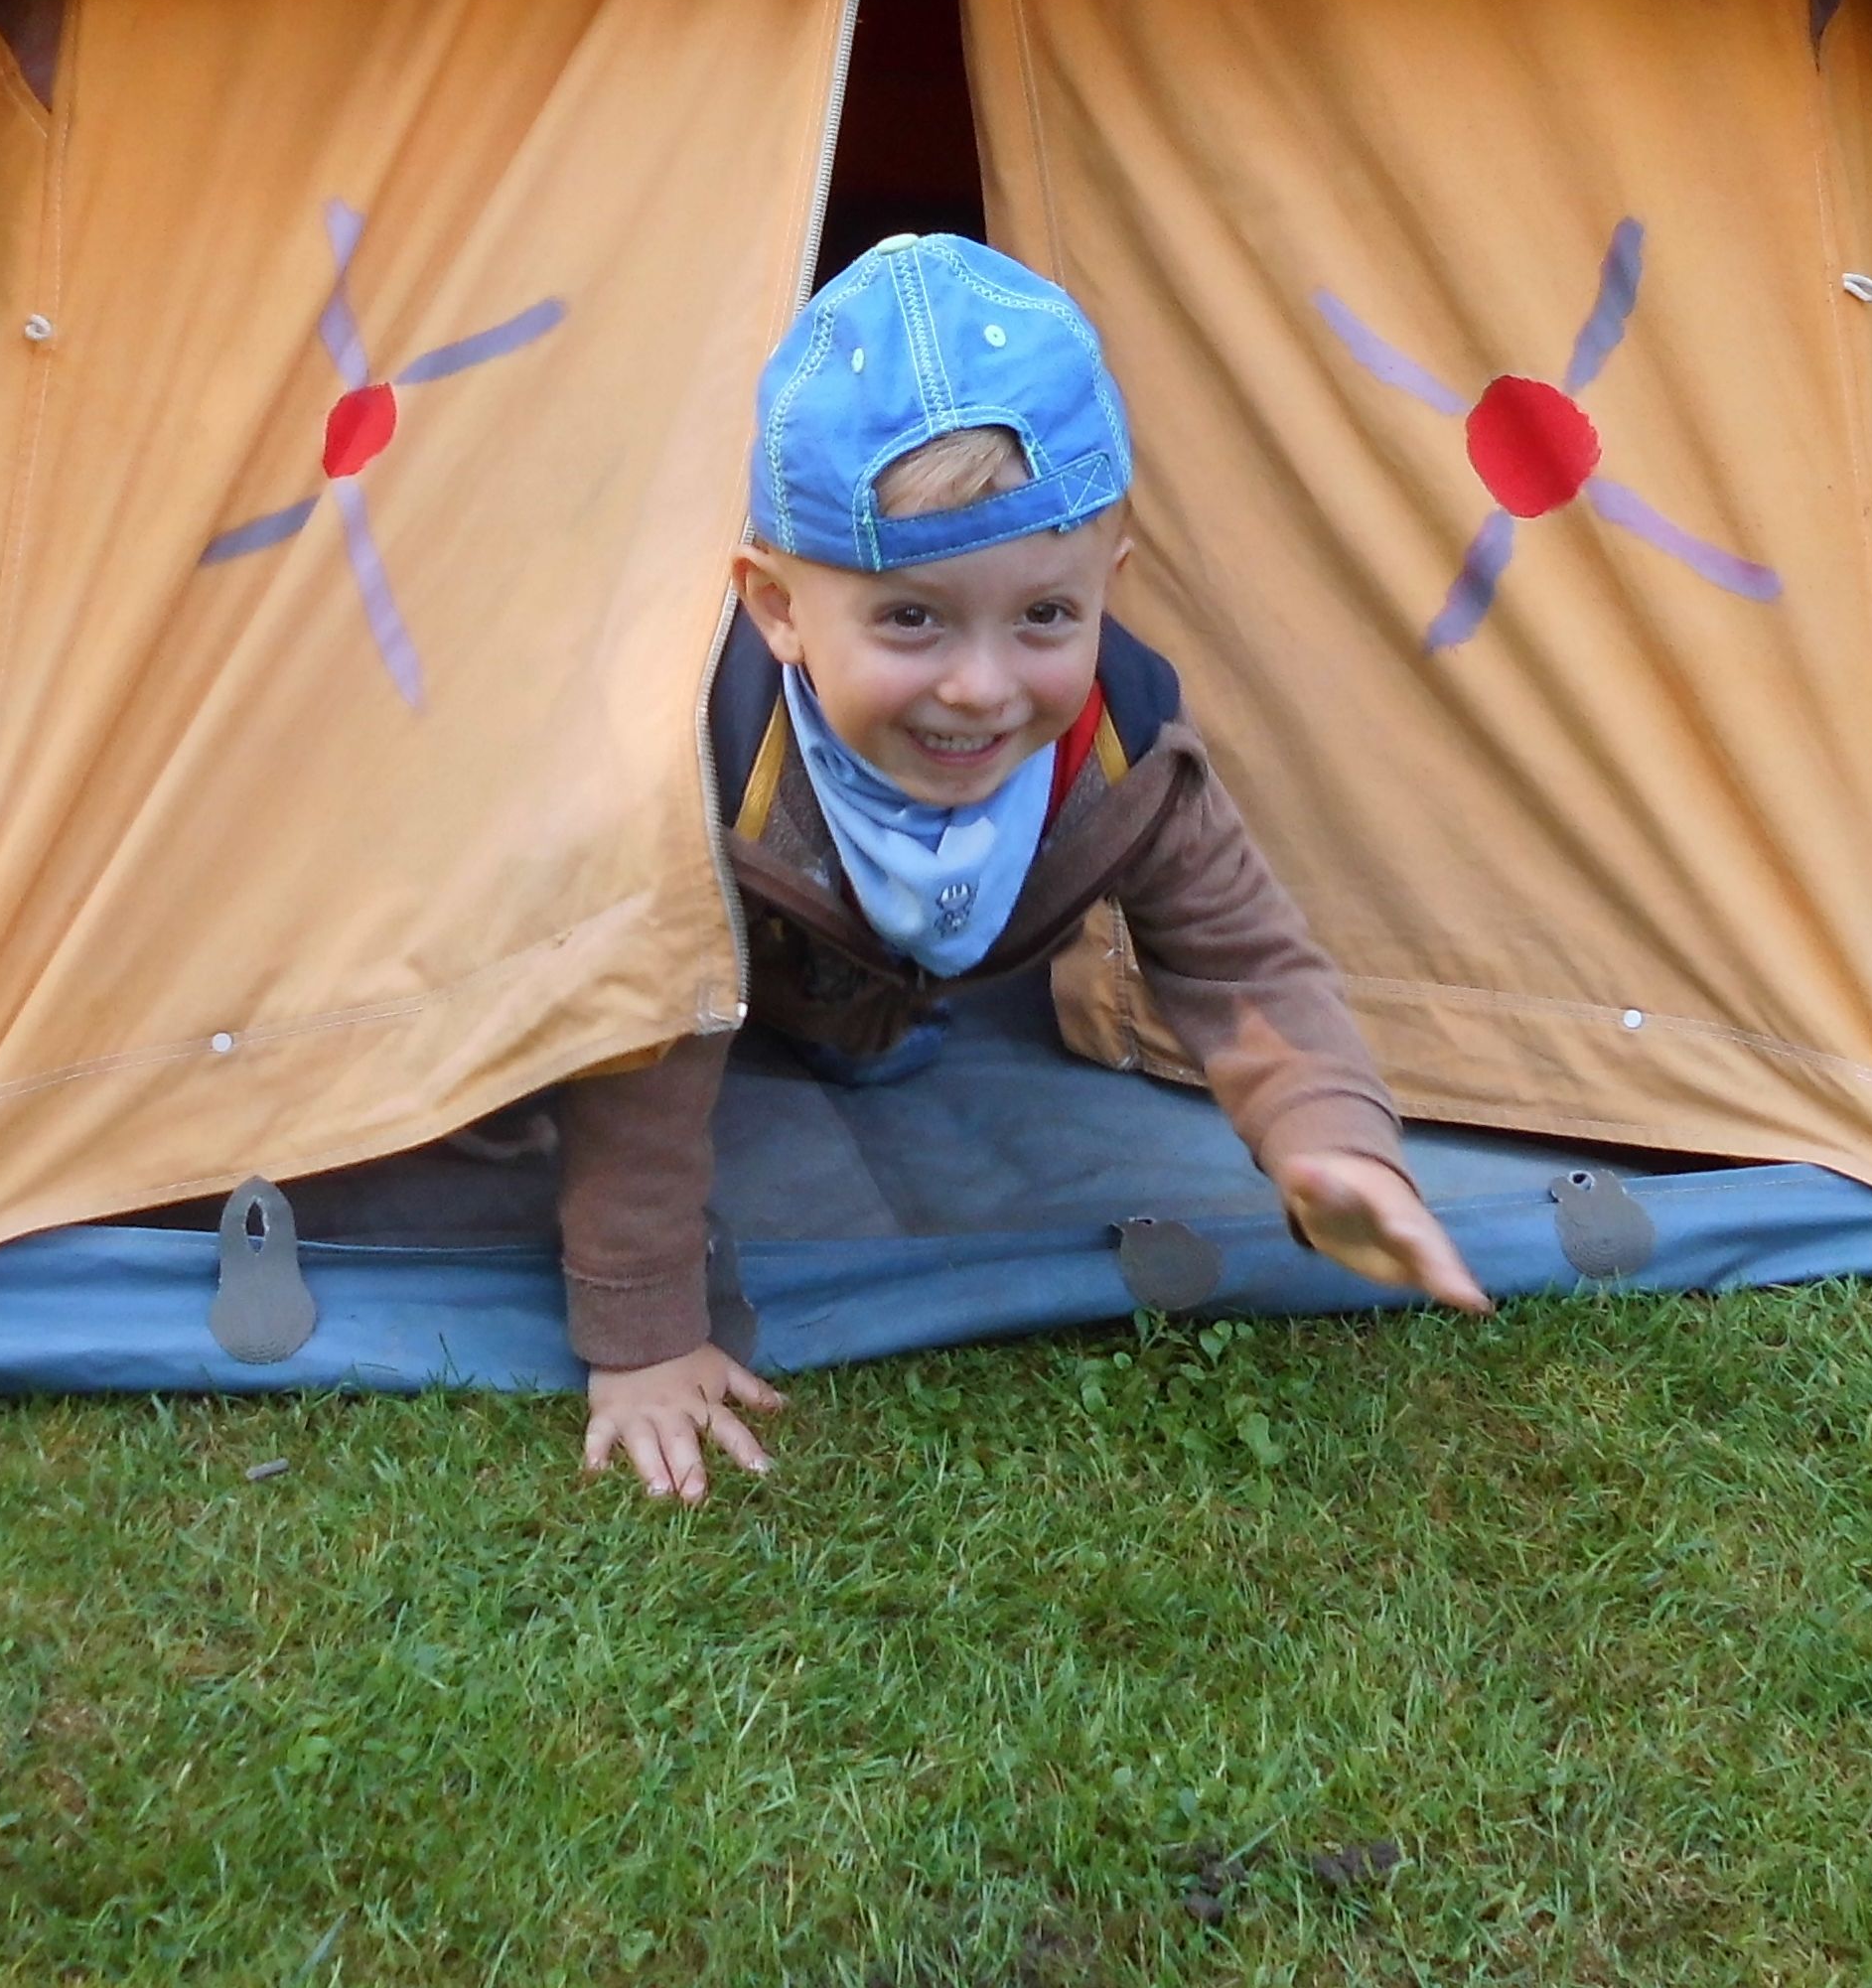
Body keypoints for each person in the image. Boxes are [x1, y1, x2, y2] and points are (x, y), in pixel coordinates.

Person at [559, 232, 1489, 1499]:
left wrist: (1332, 1143)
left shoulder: (1123, 748)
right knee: (673, 1015)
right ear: (778, 610)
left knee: (870, 997)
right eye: (910, 617)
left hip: (872, 974)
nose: (982, 686)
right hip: (728, 962)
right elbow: (648, 1047)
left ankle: (860, 1018)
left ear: (1109, 589)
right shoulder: (708, 771)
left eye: (1044, 616)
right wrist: (644, 1335)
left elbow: (1240, 955)